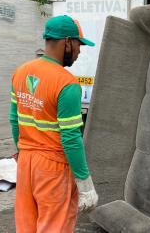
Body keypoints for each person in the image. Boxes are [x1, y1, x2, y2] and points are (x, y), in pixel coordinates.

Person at [10, 15, 98, 233]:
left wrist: (22, 152)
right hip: (53, 168)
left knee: (27, 226)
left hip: (26, 163)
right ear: (67, 42)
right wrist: (85, 184)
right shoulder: (67, 84)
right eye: (78, 45)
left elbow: (15, 120)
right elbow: (70, 138)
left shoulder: (20, 72)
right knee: (54, 227)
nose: (79, 53)